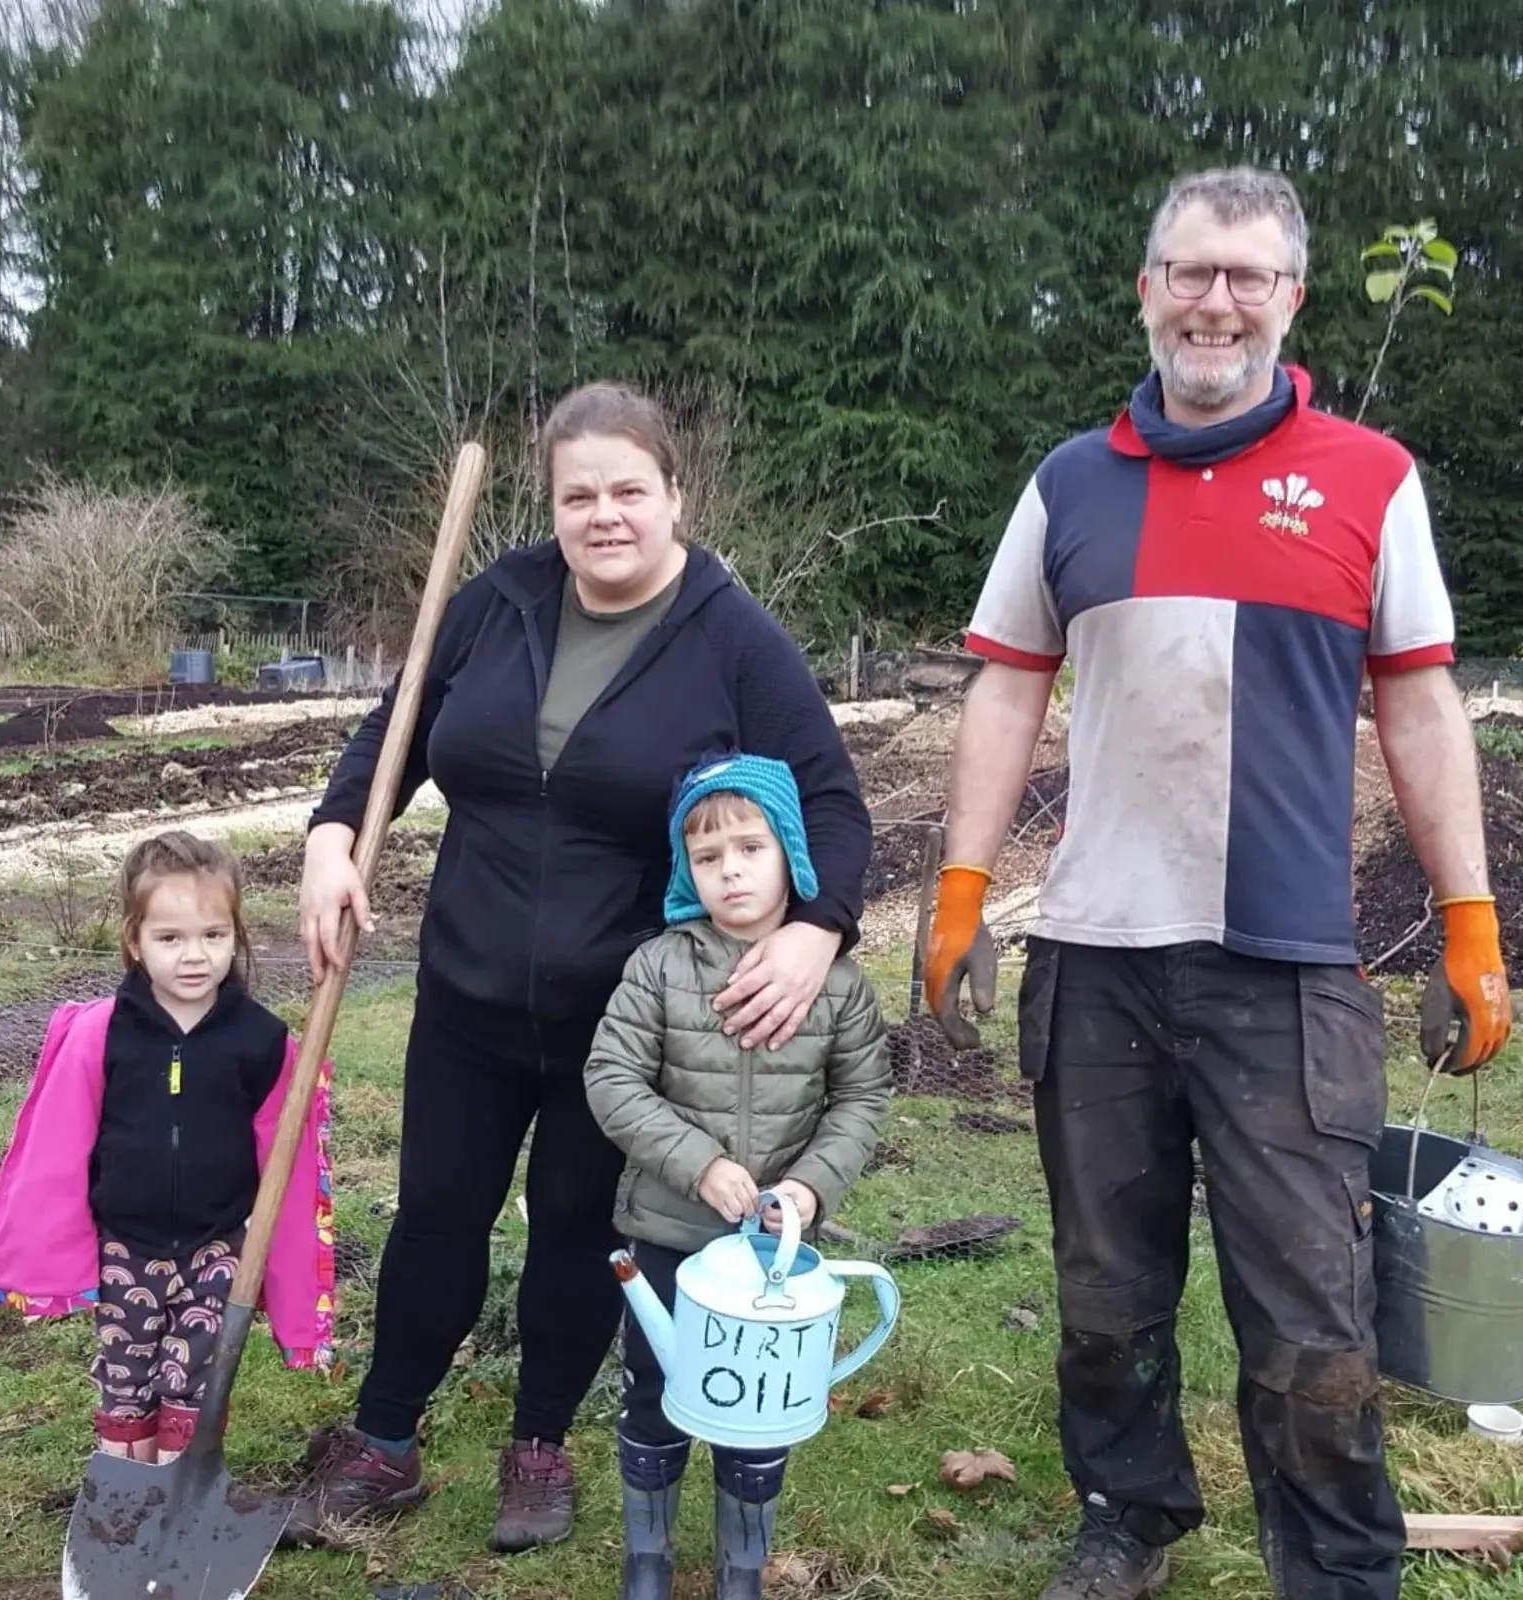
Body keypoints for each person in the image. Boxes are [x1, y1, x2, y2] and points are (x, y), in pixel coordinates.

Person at [924, 166, 1512, 1600]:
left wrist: (1473, 921)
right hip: (1097, 955)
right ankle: (1127, 1516)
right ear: (1147, 290)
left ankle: (1337, 1567)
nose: (1216, 302)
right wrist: (957, 888)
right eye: (1190, 272)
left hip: (1290, 968)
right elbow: (1006, 689)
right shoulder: (1070, 483)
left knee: (1311, 1316)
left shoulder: (1371, 477)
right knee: (1104, 1290)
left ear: (1291, 298)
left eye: (1247, 277)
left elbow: (1419, 702)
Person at [289, 380, 873, 1552]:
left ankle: (539, 1446)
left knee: (573, 1221)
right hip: (466, 986)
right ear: (550, 504)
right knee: (436, 1211)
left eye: (628, 491)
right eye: (577, 496)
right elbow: (392, 733)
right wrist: (330, 836)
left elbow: (833, 802)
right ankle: (383, 1439)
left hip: (627, 1011)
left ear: (674, 495)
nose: (604, 515)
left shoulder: (732, 639)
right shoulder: (497, 602)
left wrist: (816, 929)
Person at [584, 752, 891, 1600]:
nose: (730, 871)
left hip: (772, 1263)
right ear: (686, 868)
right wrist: (700, 1164)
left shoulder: (838, 985)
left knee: (759, 1410)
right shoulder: (659, 967)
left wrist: (811, 1187)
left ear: (791, 850)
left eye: (752, 848)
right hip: (667, 1234)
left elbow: (862, 1096)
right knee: (655, 1391)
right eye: (707, 856)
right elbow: (611, 1077)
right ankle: (647, 1559)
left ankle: (740, 1568)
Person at [0, 830, 335, 1465]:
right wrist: (52, 1251)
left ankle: (180, 1486)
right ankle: (126, 1486)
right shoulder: (101, 1033)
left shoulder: (262, 1042)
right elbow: (59, 1148)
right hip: (126, 1245)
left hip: (219, 1245)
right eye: (170, 938)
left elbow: (285, 1156)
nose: (194, 956)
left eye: (213, 935)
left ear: (236, 935)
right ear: (135, 941)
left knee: (196, 1378)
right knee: (126, 1375)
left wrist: (272, 1251)